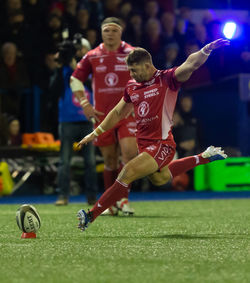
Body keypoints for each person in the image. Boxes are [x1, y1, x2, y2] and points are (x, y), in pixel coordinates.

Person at [76, 38, 230, 231]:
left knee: (127, 172)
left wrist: (206, 49)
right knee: (160, 179)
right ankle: (203, 157)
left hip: (162, 144)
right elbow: (117, 113)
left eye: (134, 70)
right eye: (129, 70)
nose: (131, 74)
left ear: (147, 66)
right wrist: (94, 133)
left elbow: (190, 64)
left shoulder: (167, 79)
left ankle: (90, 216)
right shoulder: (132, 87)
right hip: (145, 146)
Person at [70, 17, 137, 215]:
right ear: (101, 33)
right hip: (102, 116)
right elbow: (75, 79)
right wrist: (85, 104)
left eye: (114, 30)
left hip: (127, 113)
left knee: (129, 154)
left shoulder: (132, 53)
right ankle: (110, 203)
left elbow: (146, 76)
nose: (110, 34)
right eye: (106, 30)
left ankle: (123, 200)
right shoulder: (92, 56)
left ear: (121, 32)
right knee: (109, 160)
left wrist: (138, 101)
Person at [54, 38, 98, 205]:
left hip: (86, 119)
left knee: (90, 161)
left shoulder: (91, 69)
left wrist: (76, 69)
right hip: (67, 120)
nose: (80, 53)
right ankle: (63, 196)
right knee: (65, 160)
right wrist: (60, 67)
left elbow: (92, 85)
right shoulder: (63, 70)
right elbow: (53, 90)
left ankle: (92, 196)